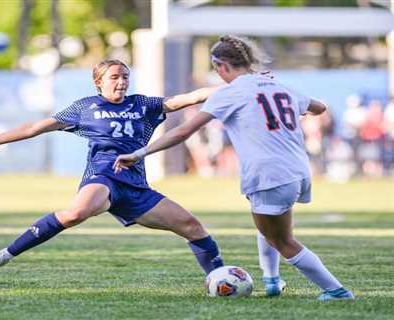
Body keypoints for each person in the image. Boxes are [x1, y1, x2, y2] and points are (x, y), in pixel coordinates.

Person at [113, 36, 354, 301]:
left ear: (220, 66)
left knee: (282, 240)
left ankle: (336, 291)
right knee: (269, 229)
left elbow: (184, 131)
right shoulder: (279, 85)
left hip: (268, 174)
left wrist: (141, 152)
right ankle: (272, 281)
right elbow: (319, 108)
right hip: (297, 169)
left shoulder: (230, 93)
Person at [0, 59, 224, 276]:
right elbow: (34, 128)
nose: (121, 82)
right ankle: (4, 254)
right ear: (98, 82)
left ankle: (219, 278)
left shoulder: (142, 104)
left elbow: (190, 98)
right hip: (104, 176)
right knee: (76, 213)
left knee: (192, 226)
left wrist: (235, 85)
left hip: (135, 185)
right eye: (114, 77)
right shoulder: (85, 108)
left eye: (125, 77)